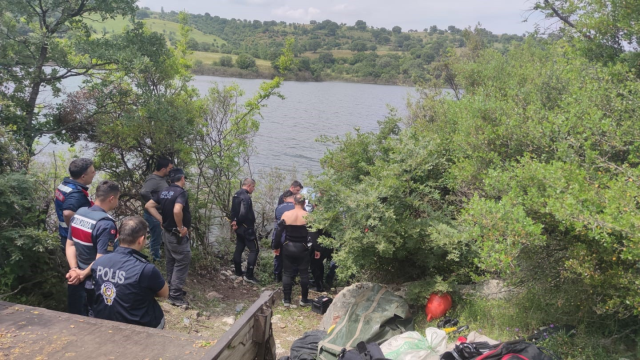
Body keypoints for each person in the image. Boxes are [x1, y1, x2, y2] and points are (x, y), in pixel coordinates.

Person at [92, 216, 169, 329]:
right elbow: (164, 293)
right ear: (141, 240)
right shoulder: (146, 269)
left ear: (118, 236)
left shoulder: (99, 262)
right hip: (139, 326)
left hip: (104, 320)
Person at [65, 180, 120, 316]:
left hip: (74, 278)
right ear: (111, 198)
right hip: (93, 282)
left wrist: (74, 269)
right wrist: (83, 275)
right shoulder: (106, 224)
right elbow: (102, 259)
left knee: (75, 316)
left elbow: (70, 244)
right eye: (117, 198)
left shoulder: (79, 213)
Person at [144, 168, 191, 308]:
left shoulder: (164, 191)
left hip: (167, 233)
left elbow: (148, 205)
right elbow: (177, 210)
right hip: (177, 235)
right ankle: (175, 296)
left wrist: (161, 220)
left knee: (171, 260)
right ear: (182, 178)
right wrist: (181, 227)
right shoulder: (181, 192)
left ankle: (171, 288)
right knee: (182, 261)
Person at [273, 194, 319, 307]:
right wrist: (317, 249)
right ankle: (304, 299)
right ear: (304, 203)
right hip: (302, 247)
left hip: (288, 246)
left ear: (294, 203)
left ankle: (287, 300)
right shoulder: (308, 216)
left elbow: (278, 232)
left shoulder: (286, 214)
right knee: (304, 274)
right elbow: (313, 235)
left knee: (287, 273)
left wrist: (276, 246)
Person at [54, 158, 97, 250]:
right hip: (75, 241)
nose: (95, 173)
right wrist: (76, 230)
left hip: (65, 236)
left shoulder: (65, 184)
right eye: (92, 172)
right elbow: (67, 213)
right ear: (83, 177)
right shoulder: (75, 193)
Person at [140, 158, 174, 262]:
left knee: (159, 237)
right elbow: (144, 192)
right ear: (163, 169)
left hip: (159, 214)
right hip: (153, 214)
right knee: (156, 237)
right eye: (170, 168)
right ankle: (155, 259)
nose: (171, 170)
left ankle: (157, 256)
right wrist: (153, 204)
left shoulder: (162, 178)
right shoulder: (154, 179)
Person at [231, 178, 260, 285]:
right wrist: (238, 222)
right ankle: (249, 275)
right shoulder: (245, 197)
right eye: (253, 187)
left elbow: (233, 211)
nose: (253, 189)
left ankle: (238, 272)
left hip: (238, 228)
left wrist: (234, 222)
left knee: (239, 247)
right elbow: (243, 213)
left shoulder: (236, 195)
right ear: (249, 186)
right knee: (254, 250)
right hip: (247, 228)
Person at [272, 190, 295, 282]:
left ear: (284, 199)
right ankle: (292, 278)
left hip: (280, 235)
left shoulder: (278, 208)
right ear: (293, 198)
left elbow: (277, 221)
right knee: (293, 257)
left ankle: (277, 277)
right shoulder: (297, 207)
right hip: (293, 236)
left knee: (278, 256)